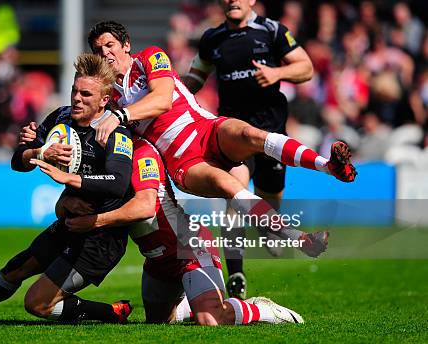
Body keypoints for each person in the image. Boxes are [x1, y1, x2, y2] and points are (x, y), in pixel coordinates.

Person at [87, 20, 346, 298]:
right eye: (98, 49)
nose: (105, 53)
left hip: (205, 129)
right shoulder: (106, 96)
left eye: (110, 45)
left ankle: (327, 166)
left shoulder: (151, 56)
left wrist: (120, 115)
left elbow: (162, 99)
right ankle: (299, 239)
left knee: (250, 134)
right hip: (182, 162)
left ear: (126, 45)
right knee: (229, 186)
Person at [0, 53, 134, 324]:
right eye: (74, 91)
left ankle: (108, 313)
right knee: (15, 269)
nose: (77, 98)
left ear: (104, 100)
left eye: (86, 94)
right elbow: (18, 160)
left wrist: (71, 181)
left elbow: (118, 183)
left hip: (102, 236)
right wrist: (40, 152)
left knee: (37, 304)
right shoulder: (61, 117)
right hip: (71, 222)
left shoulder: (115, 133)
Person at [64, 136, 304, 326]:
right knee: (159, 321)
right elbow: (65, 201)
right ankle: (201, 299)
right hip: (157, 259)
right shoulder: (100, 156)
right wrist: (65, 204)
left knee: (211, 320)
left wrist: (96, 220)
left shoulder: (141, 151)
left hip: (188, 247)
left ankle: (260, 308)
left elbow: (145, 207)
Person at [181, 0, 315, 296]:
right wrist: (171, 91)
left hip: (270, 137)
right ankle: (237, 274)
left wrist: (277, 74)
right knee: (236, 199)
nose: (232, 1)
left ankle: (269, 228)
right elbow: (195, 77)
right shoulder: (212, 38)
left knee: (271, 202)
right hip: (231, 138)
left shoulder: (271, 31)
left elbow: (306, 68)